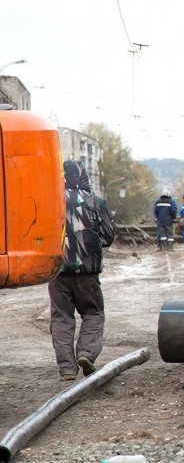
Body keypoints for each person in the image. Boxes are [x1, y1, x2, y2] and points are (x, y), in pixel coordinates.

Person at [49, 160, 116, 381]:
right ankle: (86, 353)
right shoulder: (95, 202)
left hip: (57, 272)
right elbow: (108, 237)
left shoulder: (49, 201)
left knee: (61, 318)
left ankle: (67, 369)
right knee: (93, 313)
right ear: (84, 176)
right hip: (87, 272)